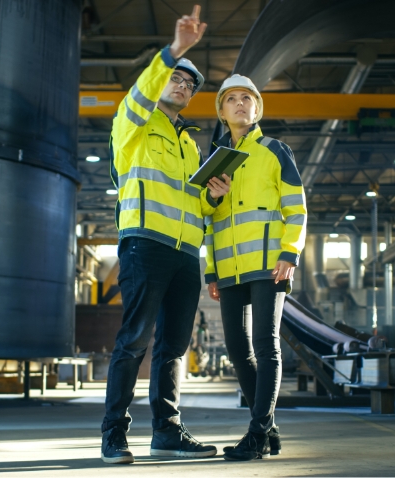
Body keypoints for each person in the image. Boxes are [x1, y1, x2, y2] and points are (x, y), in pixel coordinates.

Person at [102, 5, 230, 465]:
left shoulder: (189, 143)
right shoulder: (132, 124)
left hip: (183, 255)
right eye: (176, 77)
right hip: (144, 245)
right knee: (134, 340)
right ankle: (114, 434)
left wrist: (213, 196)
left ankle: (167, 431)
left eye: (190, 83)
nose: (184, 85)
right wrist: (176, 49)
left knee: (174, 346)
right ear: (159, 82)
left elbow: (192, 202)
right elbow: (141, 92)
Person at [204, 74, 307, 461]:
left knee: (266, 347)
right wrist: (212, 271)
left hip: (268, 264)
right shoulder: (216, 160)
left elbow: (295, 208)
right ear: (222, 110)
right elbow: (210, 219)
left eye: (248, 98)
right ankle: (269, 427)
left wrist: (290, 253)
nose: (241, 104)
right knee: (236, 349)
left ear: (257, 108)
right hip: (229, 269)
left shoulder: (275, 150)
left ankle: (257, 433)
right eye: (232, 99)